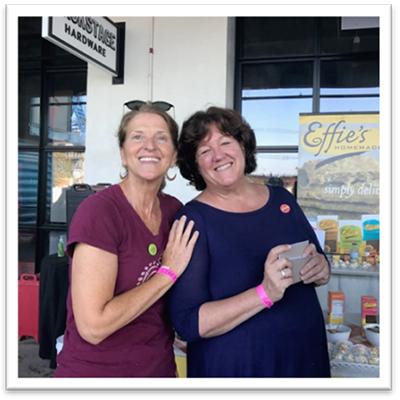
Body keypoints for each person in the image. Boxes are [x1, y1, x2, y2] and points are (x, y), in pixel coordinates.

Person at [168, 106, 331, 378]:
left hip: (304, 359)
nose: (218, 155)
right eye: (205, 151)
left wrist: (320, 269)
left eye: (225, 142)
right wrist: (264, 292)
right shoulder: (192, 219)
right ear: (195, 164)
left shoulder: (283, 200)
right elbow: (188, 323)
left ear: (242, 146)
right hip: (238, 369)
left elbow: (319, 260)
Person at [54, 103, 198, 377]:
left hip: (158, 370)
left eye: (161, 137)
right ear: (123, 153)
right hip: (97, 375)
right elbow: (93, 327)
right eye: (137, 136)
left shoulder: (173, 211)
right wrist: (167, 273)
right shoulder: (100, 212)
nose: (150, 146)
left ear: (174, 155)